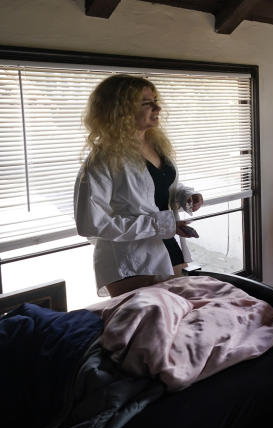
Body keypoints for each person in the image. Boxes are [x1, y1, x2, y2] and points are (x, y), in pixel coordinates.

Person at [74, 75, 203, 297]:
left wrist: (184, 195)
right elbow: (91, 224)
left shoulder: (155, 145)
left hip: (167, 246)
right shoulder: (103, 159)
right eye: (147, 103)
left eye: (155, 100)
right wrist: (159, 224)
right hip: (130, 260)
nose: (158, 107)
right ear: (120, 110)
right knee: (152, 326)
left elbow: (155, 187)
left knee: (180, 320)